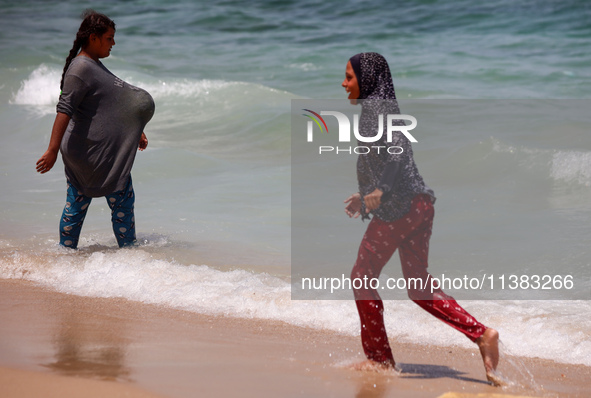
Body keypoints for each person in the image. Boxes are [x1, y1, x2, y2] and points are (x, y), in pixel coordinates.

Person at [342, 52, 501, 385]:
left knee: (362, 275)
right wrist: (367, 196)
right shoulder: (385, 110)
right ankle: (482, 335)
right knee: (417, 286)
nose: (343, 83)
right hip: (421, 206)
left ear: (367, 80)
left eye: (350, 77)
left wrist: (382, 190)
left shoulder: (376, 112)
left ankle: (380, 360)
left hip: (400, 210)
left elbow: (397, 153)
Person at [36, 10, 155, 249]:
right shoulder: (81, 68)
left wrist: (134, 130)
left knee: (76, 207)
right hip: (92, 155)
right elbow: (64, 110)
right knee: (121, 203)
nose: (113, 43)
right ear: (93, 38)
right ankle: (129, 255)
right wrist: (52, 150)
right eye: (109, 38)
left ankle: (66, 255)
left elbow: (109, 105)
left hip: (97, 154)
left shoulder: (92, 66)